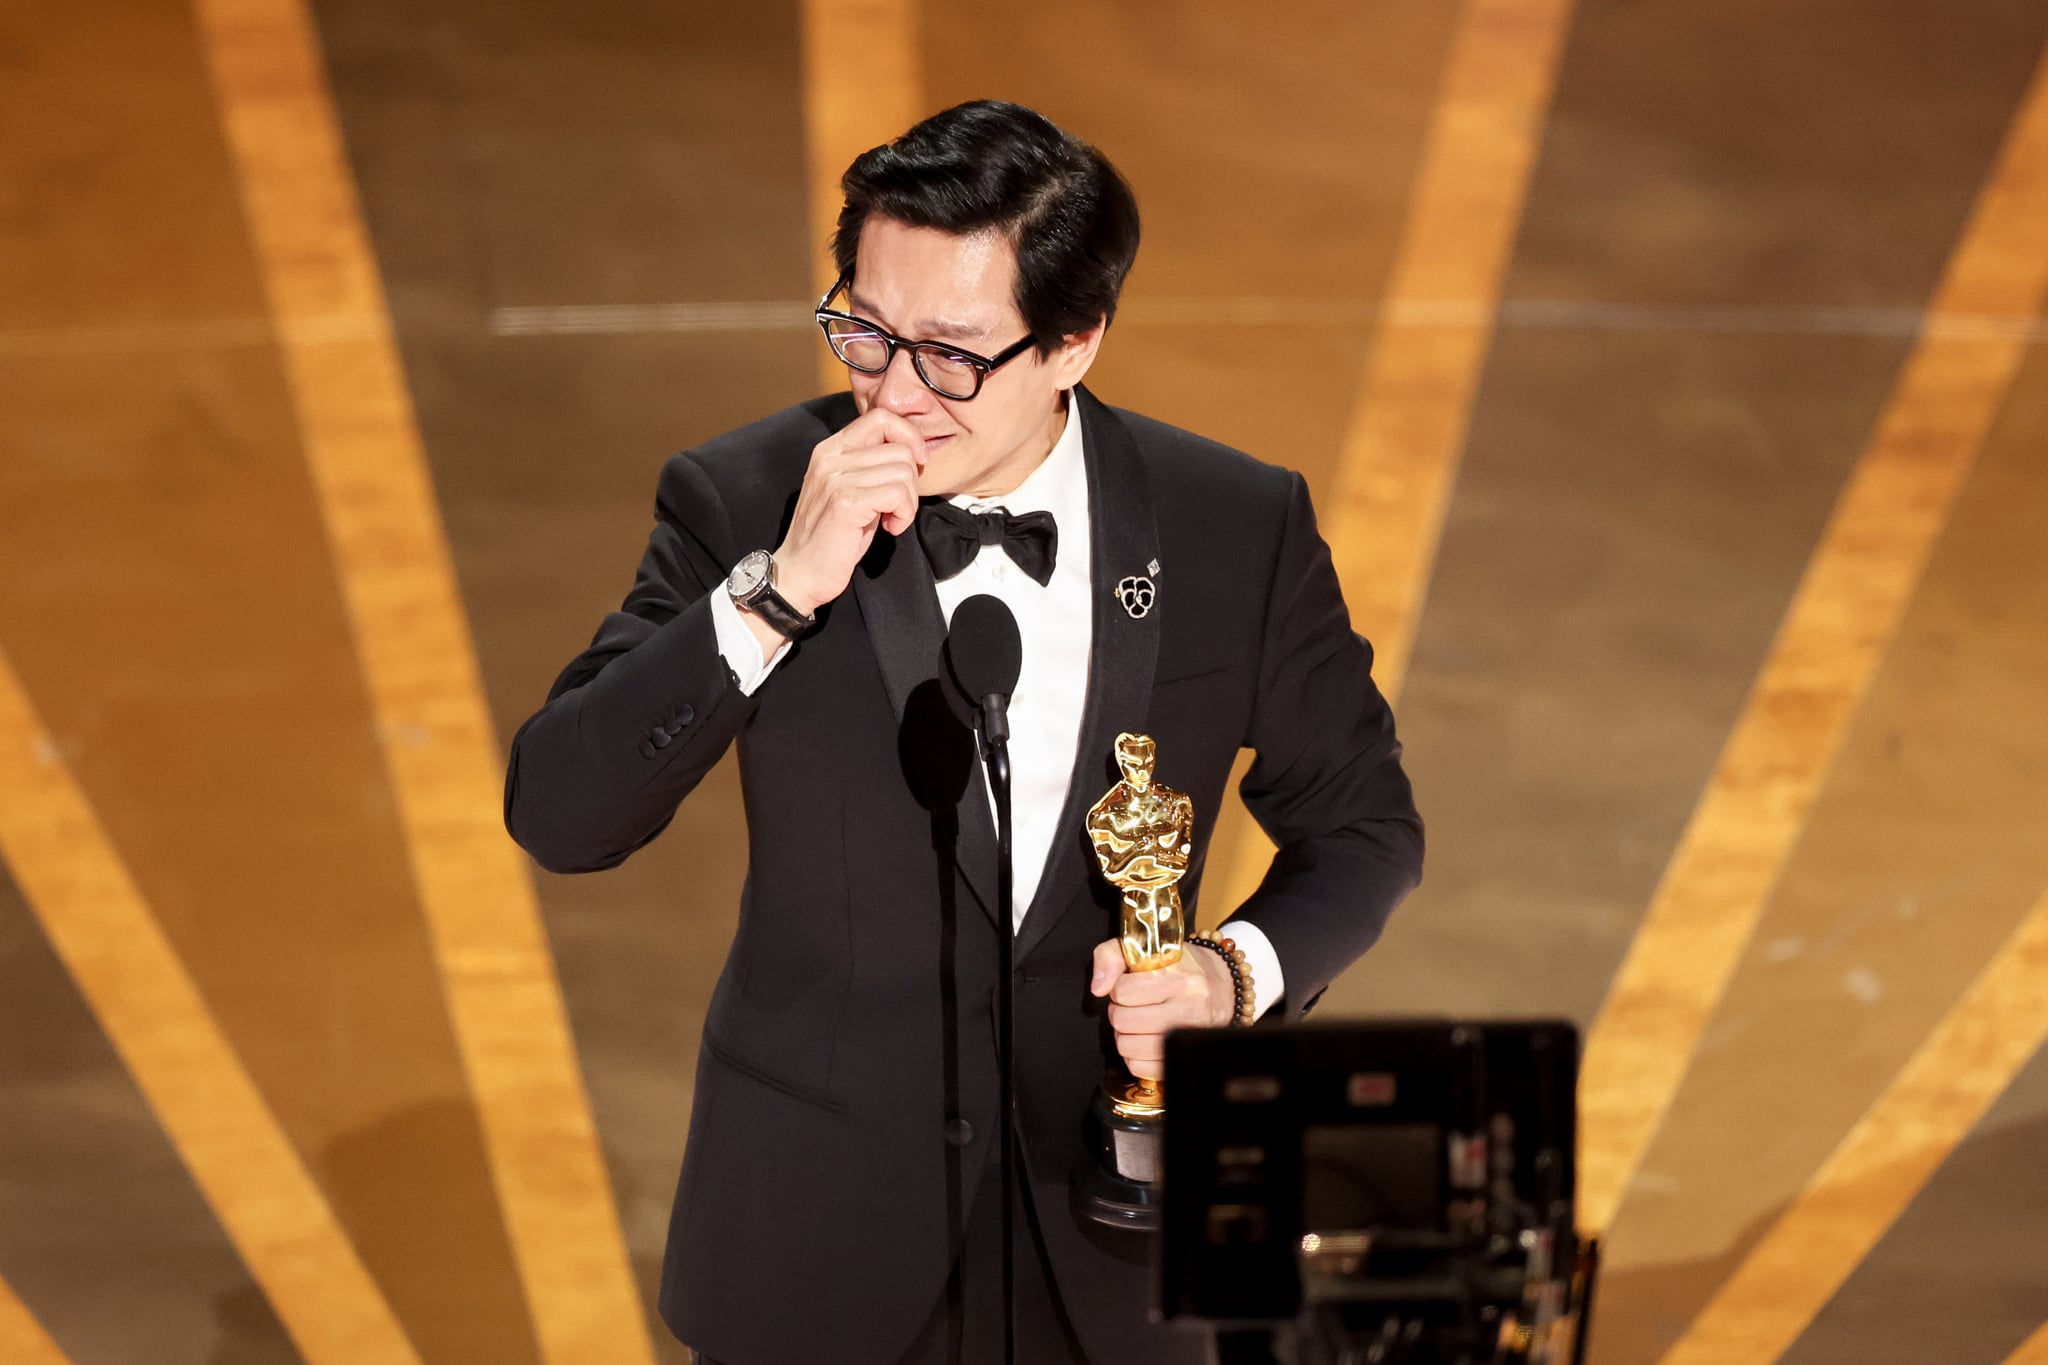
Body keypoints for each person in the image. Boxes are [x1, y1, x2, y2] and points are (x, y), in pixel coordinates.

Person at [504, 99, 1423, 1365]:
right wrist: (773, 593)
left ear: (1075, 341)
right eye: (864, 332)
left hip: (1120, 1236)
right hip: (815, 1246)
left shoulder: (1234, 528)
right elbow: (558, 814)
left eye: (949, 353)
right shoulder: (742, 499)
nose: (892, 394)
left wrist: (1230, 978)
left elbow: (1363, 828)